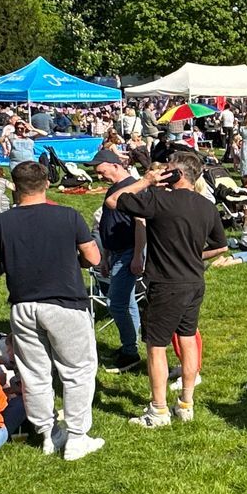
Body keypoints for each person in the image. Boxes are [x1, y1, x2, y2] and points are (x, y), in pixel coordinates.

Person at [0, 161, 103, 459]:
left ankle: (48, 434)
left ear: (14, 186)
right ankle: (76, 436)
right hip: (65, 303)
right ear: (47, 182)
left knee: (33, 374)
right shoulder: (69, 215)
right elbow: (94, 257)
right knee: (77, 371)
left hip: (23, 306)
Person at [107, 154, 228, 428]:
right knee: (187, 340)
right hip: (194, 282)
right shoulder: (207, 206)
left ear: (177, 175)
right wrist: (194, 255)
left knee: (156, 347)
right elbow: (222, 246)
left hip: (166, 285)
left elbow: (113, 200)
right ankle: (186, 403)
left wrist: (146, 180)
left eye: (168, 170)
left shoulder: (158, 200)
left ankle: (158, 410)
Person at [93, 153, 143, 370]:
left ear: (115, 165)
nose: (98, 175)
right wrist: (105, 257)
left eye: (101, 170)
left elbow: (141, 224)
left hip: (128, 251)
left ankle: (130, 353)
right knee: (127, 301)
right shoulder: (115, 187)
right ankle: (129, 346)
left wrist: (138, 254)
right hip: (115, 252)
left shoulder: (133, 187)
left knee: (116, 302)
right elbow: (108, 223)